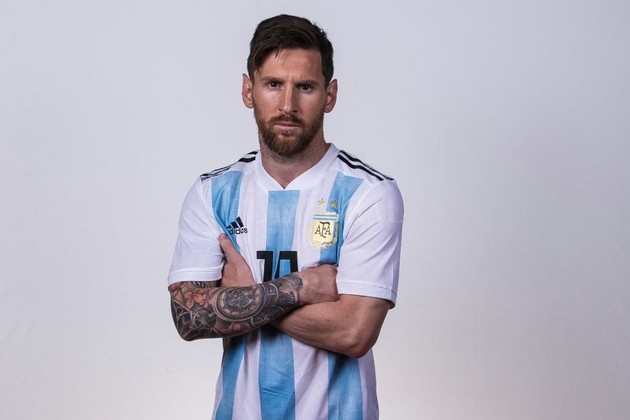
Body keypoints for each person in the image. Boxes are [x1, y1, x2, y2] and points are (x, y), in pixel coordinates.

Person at [167, 14, 404, 420]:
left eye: (305, 87)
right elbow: (189, 317)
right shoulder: (212, 192)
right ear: (248, 90)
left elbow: (354, 332)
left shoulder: (368, 193)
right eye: (273, 84)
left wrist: (244, 295)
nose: (288, 105)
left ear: (330, 95)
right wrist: (301, 287)